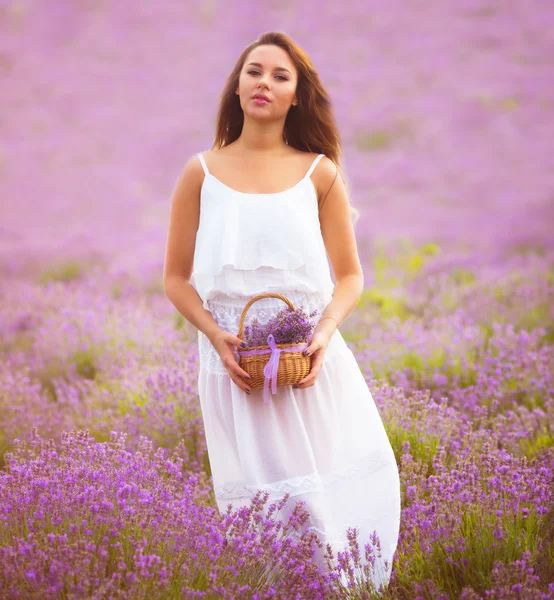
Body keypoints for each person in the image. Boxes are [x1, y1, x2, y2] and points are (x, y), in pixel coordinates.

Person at [163, 31, 401, 591]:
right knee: (265, 506)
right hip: (234, 368)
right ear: (237, 85)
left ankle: (348, 588)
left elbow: (349, 276)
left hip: (312, 366)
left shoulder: (319, 172)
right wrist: (218, 337)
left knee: (327, 495)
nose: (263, 82)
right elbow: (175, 279)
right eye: (254, 71)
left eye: (279, 75)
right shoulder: (200, 172)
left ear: (297, 96)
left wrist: (323, 335)